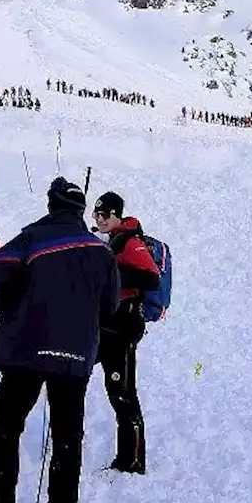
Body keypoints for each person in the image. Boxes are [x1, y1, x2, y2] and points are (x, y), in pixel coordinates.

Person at [0, 178, 119, 503]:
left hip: (24, 349)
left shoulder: (31, 239)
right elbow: (110, 307)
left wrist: (12, 311)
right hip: (74, 354)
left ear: (51, 205)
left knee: (7, 429)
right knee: (68, 437)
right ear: (80, 210)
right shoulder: (101, 252)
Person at [91, 192, 160, 475]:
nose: (99, 219)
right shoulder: (106, 240)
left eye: (104, 214)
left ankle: (132, 460)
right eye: (96, 214)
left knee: (122, 392)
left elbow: (151, 277)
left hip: (123, 329)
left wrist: (114, 273)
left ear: (117, 214)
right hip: (103, 326)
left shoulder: (131, 242)